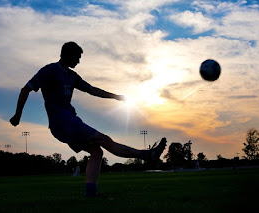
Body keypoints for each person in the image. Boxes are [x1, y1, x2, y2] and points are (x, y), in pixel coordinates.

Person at [10, 41, 167, 197]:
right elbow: (26, 89)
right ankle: (147, 156)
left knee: (97, 152)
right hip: (64, 122)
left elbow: (92, 90)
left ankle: (91, 193)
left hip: (67, 124)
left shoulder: (72, 76)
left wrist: (116, 97)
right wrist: (18, 115)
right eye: (77, 57)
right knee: (104, 139)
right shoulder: (49, 70)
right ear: (68, 55)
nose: (78, 61)